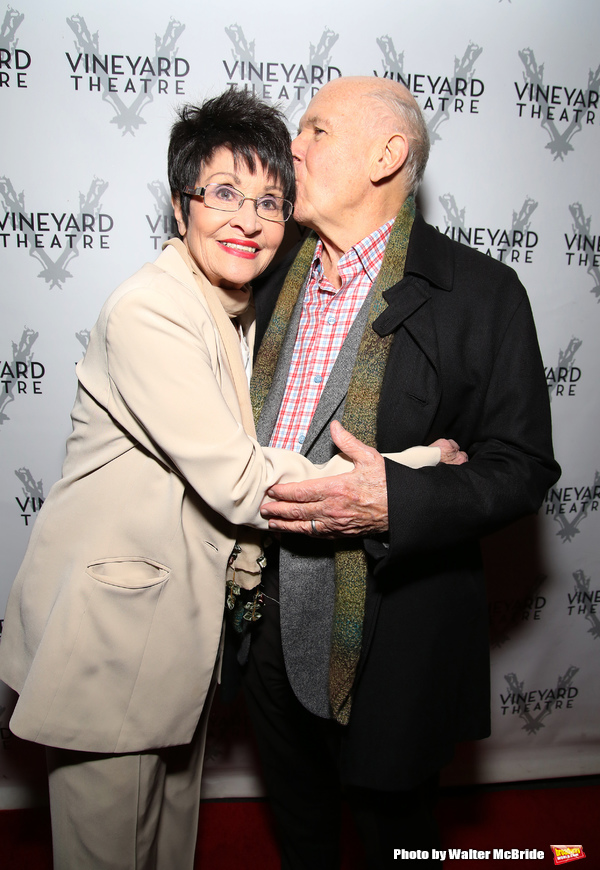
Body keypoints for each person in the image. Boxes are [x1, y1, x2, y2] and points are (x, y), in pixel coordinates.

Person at [0, 88, 464, 870]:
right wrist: (406, 473)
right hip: (111, 646)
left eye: (270, 200)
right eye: (223, 194)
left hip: (175, 648)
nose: (247, 219)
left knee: (164, 855)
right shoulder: (152, 309)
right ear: (181, 207)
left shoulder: (232, 307)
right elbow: (241, 479)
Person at [242, 76, 561, 869]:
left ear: (388, 155)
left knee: (394, 840)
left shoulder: (482, 293)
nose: (293, 148)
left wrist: (398, 498)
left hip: (392, 631)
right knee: (302, 832)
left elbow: (522, 468)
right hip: (262, 616)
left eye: (316, 130)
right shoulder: (271, 273)